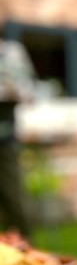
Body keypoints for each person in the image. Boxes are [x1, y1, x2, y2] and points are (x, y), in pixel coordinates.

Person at [0, 34, 37, 236]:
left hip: (4, 136)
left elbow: (28, 91)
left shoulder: (11, 53)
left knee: (12, 195)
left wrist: (12, 91)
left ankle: (24, 250)